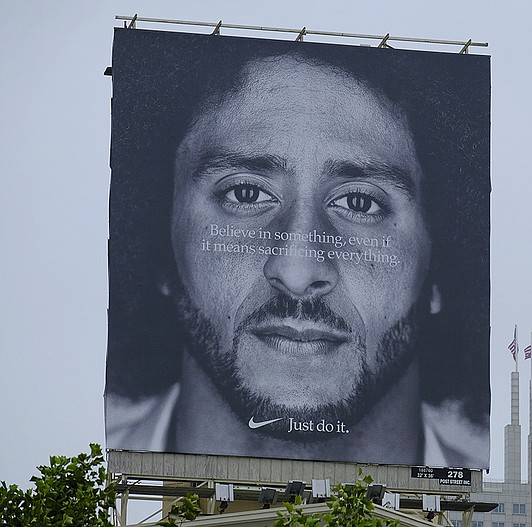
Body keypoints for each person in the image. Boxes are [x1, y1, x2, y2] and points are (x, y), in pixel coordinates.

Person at [106, 30, 490, 469]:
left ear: (440, 258)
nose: (297, 271)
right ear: (161, 235)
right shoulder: (88, 500)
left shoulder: (505, 511)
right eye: (246, 194)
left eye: (360, 202)